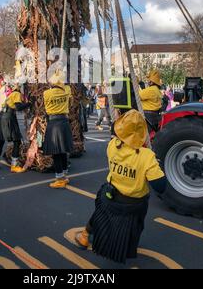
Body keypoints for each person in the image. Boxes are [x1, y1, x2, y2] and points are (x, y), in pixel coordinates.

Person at [75, 109, 166, 264]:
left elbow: (117, 137)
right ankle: (127, 247)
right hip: (135, 204)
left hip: (112, 196)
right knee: (137, 221)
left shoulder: (112, 146)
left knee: (100, 210)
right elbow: (160, 186)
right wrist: (156, 166)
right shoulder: (147, 156)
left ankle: (84, 235)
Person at [43, 72, 73, 189]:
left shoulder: (46, 93)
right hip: (64, 122)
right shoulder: (67, 90)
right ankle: (65, 175)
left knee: (56, 152)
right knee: (63, 150)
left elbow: (45, 109)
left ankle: (60, 179)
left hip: (53, 122)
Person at [0, 83, 30, 173]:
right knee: (16, 141)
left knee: (1, 141)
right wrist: (29, 104)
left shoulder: (10, 95)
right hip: (8, 117)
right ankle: (14, 165)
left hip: (0, 116)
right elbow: (18, 107)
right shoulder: (16, 94)